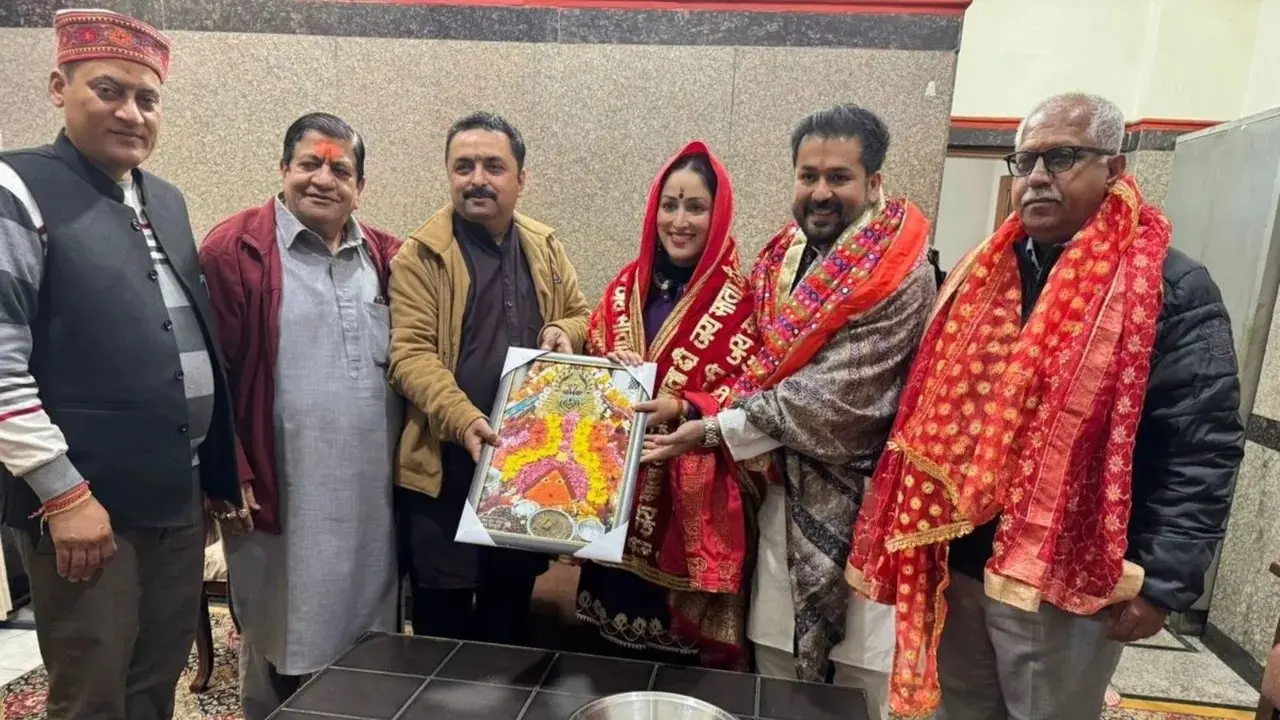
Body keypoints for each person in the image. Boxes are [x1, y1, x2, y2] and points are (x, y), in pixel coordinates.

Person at [847, 92, 1245, 720]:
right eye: (1024, 160)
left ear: (1114, 170)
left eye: (1061, 158)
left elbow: (1199, 445)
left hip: (1069, 580)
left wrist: (1167, 582)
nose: (1036, 177)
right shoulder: (983, 274)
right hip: (961, 559)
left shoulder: (1168, 287)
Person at [644, 105, 937, 718]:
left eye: (839, 177)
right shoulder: (779, 258)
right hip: (775, 497)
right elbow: (747, 369)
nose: (821, 192)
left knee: (855, 681)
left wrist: (710, 427)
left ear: (874, 182)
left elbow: (836, 399)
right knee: (773, 662)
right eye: (808, 176)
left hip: (858, 505)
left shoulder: (900, 272)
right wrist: (688, 403)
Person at [0, 9, 242, 719]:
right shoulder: (18, 189)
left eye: (147, 97)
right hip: (84, 507)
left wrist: (212, 476)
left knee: (153, 678)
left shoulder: (164, 199)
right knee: (94, 692)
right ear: (58, 86)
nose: (131, 112)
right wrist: (64, 493)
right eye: (109, 90)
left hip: (174, 497)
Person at [198, 112, 403, 720]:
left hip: (371, 499)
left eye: (340, 168)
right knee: (281, 631)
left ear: (359, 186)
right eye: (309, 163)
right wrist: (225, 470)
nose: (323, 178)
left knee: (369, 640)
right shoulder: (232, 251)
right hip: (276, 488)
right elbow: (210, 375)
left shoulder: (387, 258)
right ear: (284, 169)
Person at [390, 111, 591, 645]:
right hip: (444, 472)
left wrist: (563, 330)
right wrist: (464, 420)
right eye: (464, 166)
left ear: (520, 179)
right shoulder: (420, 255)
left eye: (493, 166)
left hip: (522, 474)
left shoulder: (544, 245)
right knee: (442, 627)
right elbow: (408, 356)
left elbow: (580, 313)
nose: (477, 178)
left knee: (508, 618)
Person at [574, 141, 761, 670]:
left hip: (685, 517)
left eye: (696, 207)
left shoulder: (742, 301)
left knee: (677, 684)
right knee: (600, 669)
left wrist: (685, 407)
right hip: (612, 511)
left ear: (718, 214)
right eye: (670, 204)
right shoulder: (622, 287)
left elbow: (755, 390)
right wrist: (612, 363)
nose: (679, 220)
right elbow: (591, 359)